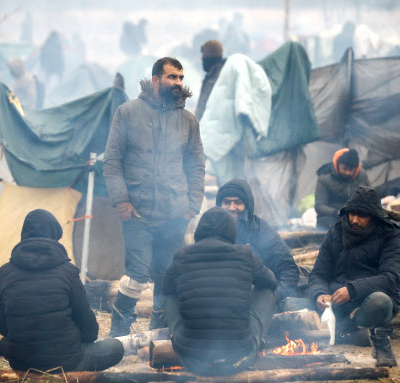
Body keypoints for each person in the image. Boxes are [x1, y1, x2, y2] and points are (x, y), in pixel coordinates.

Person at [103, 57, 205, 336]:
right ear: (156, 80)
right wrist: (122, 201)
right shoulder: (128, 112)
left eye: (181, 78)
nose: (178, 83)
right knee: (137, 273)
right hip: (138, 211)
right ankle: (119, 333)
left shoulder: (188, 120)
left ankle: (157, 333)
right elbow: (112, 161)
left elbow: (196, 165)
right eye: (172, 77)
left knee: (165, 275)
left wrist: (192, 206)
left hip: (175, 213)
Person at [0, 209, 124, 372]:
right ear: (54, 237)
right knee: (116, 347)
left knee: (3, 344)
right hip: (67, 363)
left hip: (22, 363)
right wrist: (74, 342)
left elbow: (1, 324)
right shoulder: (68, 272)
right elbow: (89, 329)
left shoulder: (5, 272)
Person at [307, 186, 400, 367]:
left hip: (367, 300)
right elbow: (319, 273)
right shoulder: (336, 231)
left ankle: (343, 330)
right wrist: (319, 294)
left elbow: (391, 278)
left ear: (374, 215)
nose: (354, 220)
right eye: (352, 214)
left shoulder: (391, 233)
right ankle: (353, 333)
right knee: (291, 303)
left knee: (380, 302)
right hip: (335, 301)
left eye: (362, 215)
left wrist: (352, 290)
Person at [163, 207, 277, 376]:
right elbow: (271, 282)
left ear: (199, 230)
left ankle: (178, 337)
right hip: (239, 359)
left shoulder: (182, 255)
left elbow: (166, 288)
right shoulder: (244, 254)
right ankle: (256, 341)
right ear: (231, 231)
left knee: (170, 295)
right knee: (267, 291)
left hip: (192, 361)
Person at [216, 179, 299, 305]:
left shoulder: (259, 229)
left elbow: (287, 268)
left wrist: (273, 297)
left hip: (257, 296)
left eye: (238, 202)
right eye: (226, 202)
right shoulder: (211, 228)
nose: (232, 208)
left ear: (247, 204)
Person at [315, 148, 369, 231]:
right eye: (344, 168)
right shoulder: (325, 179)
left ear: (356, 168)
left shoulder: (361, 176)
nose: (348, 172)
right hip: (332, 217)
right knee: (333, 228)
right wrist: (337, 212)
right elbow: (319, 206)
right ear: (338, 165)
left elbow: (369, 197)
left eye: (351, 170)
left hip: (356, 216)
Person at [195, 40, 226, 120]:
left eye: (204, 55)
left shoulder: (216, 77)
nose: (201, 58)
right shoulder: (213, 75)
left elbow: (204, 107)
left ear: (211, 57)